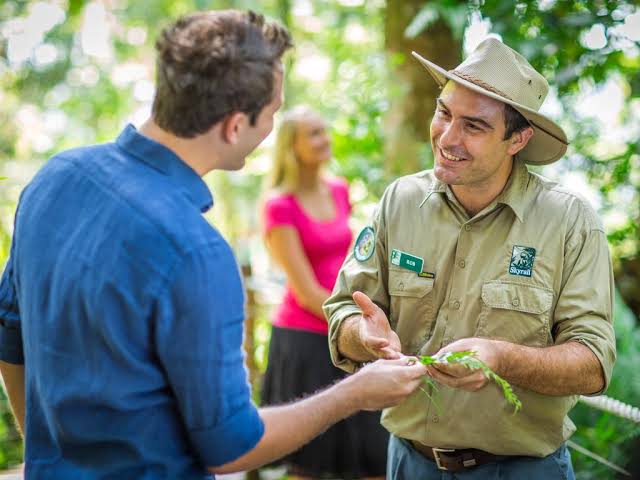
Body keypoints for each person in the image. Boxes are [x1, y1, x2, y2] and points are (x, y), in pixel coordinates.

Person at [0, 10, 429, 479]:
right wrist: (356, 392)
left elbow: (10, 339)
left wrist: (49, 457)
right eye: (273, 113)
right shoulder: (194, 251)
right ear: (234, 125)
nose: (271, 128)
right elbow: (230, 445)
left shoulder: (54, 177)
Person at [323, 38, 616, 480]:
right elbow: (342, 313)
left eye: (474, 126)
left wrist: (501, 358)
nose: (448, 137)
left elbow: (593, 363)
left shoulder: (570, 222)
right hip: (407, 462)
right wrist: (365, 337)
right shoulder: (400, 201)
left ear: (517, 138)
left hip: (523, 470)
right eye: (444, 113)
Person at [261, 107, 389, 480]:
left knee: (373, 456)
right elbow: (304, 292)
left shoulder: (339, 189)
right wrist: (356, 322)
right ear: (292, 147)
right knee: (311, 465)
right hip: (306, 339)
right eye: (314, 134)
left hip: (346, 331)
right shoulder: (279, 206)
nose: (325, 139)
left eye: (324, 130)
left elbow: (350, 260)